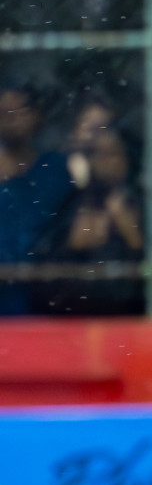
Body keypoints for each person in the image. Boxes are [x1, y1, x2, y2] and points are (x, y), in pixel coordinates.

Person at [34, 126, 145, 315]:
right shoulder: (71, 202)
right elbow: (43, 264)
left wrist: (131, 234)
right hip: (73, 319)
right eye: (97, 154)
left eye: (112, 154)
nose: (105, 163)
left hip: (127, 320)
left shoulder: (145, 205)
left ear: (127, 159)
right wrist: (70, 246)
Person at [0, 83, 74, 315]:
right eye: (5, 113)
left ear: (37, 116)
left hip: (43, 296)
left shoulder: (57, 170)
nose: (13, 120)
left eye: (20, 111)